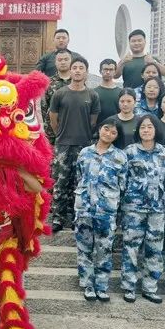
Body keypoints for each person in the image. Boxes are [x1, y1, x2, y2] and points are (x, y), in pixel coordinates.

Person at [74, 118, 127, 302]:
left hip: (107, 210)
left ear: (117, 136)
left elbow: (123, 185)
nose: (108, 134)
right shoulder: (85, 153)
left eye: (113, 132)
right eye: (106, 129)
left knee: (104, 249)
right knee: (84, 248)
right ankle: (88, 284)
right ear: (99, 129)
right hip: (85, 209)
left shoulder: (120, 156)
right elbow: (79, 177)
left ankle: (102, 286)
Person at [121, 115, 165, 304]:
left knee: (154, 249)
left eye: (150, 127)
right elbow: (123, 180)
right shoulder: (129, 152)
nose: (146, 130)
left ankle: (150, 288)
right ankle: (129, 287)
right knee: (131, 248)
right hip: (133, 209)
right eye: (143, 127)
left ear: (156, 129)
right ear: (138, 131)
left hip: (157, 209)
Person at [48, 57, 100, 232]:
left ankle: (76, 217)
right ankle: (58, 217)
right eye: (75, 67)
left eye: (81, 68)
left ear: (86, 72)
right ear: (70, 71)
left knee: (80, 183)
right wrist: (61, 135)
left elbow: (93, 121)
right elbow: (53, 119)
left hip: (83, 146)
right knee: (60, 182)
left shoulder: (92, 95)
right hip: (63, 144)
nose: (77, 70)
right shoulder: (60, 93)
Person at [40, 49, 72, 144]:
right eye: (60, 60)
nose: (63, 62)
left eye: (66, 59)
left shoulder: (77, 81)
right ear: (55, 62)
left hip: (72, 128)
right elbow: (44, 107)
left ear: (71, 61)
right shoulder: (48, 83)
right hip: (51, 132)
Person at [94, 59, 120, 126]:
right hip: (98, 129)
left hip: (116, 128)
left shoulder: (121, 93)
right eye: (105, 69)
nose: (108, 72)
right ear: (100, 71)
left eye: (111, 70)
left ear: (115, 72)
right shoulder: (93, 92)